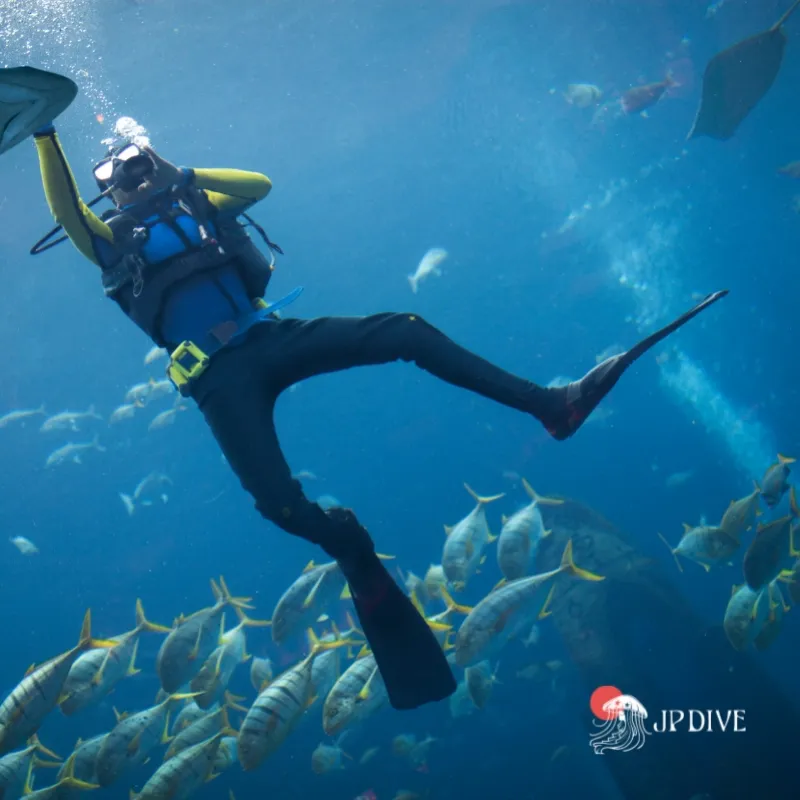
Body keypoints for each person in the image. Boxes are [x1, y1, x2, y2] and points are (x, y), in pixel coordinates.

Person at [31, 123, 727, 711]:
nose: (128, 180)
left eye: (134, 165)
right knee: (278, 506)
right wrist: (44, 132)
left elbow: (257, 185)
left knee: (406, 330)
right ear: (108, 193)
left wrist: (176, 173)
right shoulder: (110, 242)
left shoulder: (197, 200)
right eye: (116, 176)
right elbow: (66, 209)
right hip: (220, 381)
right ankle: (351, 548)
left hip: (269, 337)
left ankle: (554, 405)